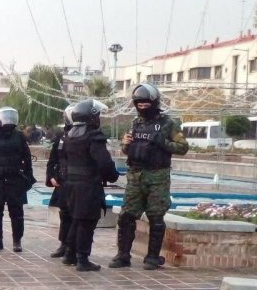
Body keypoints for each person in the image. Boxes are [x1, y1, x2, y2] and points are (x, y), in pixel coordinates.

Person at [109, 83, 189, 270]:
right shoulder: (136, 123)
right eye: (139, 104)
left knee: (156, 216)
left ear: (154, 102)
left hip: (157, 176)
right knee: (126, 216)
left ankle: (152, 257)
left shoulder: (168, 123)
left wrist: (162, 141)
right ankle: (123, 255)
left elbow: (183, 148)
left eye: (146, 103)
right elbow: (127, 149)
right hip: (136, 175)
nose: (142, 107)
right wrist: (125, 143)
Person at [62, 99, 120, 271]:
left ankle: (69, 254)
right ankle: (83, 259)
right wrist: (113, 176)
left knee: (76, 220)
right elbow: (103, 162)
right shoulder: (94, 136)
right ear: (92, 117)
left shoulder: (70, 135)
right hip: (88, 186)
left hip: (71, 185)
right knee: (87, 222)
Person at [0, 107, 34, 252]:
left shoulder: (20, 137)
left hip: (15, 177)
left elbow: (27, 158)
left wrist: (28, 177)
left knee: (17, 213)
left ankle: (17, 241)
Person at [45, 106, 73, 258]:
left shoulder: (86, 135)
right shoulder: (61, 137)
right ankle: (63, 244)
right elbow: (52, 159)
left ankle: (73, 246)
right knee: (64, 213)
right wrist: (51, 175)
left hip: (77, 180)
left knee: (76, 214)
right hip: (62, 180)